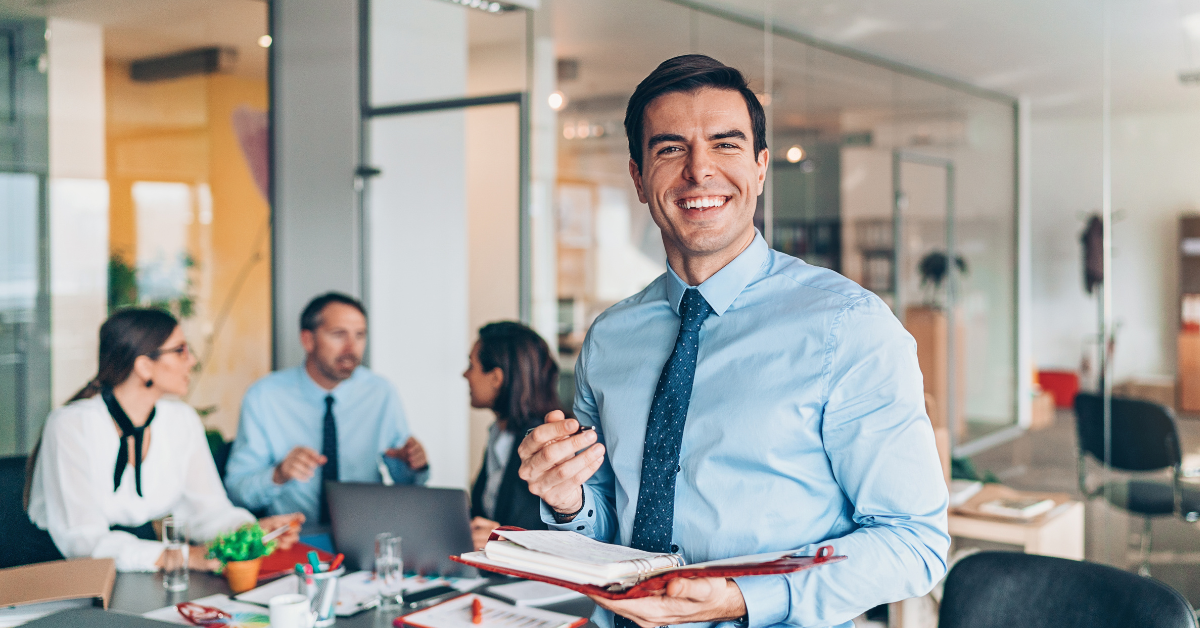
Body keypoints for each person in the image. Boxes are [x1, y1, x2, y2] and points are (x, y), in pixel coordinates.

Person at [517, 55, 949, 628]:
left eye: (725, 144)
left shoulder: (849, 327)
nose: (700, 171)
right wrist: (567, 502)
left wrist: (744, 598)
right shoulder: (609, 339)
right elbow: (607, 524)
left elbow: (914, 542)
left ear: (761, 167)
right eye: (670, 148)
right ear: (639, 178)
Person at [26, 308, 302, 572]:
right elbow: (83, 542)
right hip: (64, 574)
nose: (192, 360)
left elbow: (207, 510)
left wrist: (251, 531)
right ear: (144, 366)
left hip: (143, 566)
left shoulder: (181, 419)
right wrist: (181, 557)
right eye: (181, 350)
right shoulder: (70, 425)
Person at [225, 292, 429, 524]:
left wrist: (413, 466)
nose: (351, 348)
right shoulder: (264, 396)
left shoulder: (381, 393)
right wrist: (278, 474)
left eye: (360, 335)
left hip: (366, 533)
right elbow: (237, 492)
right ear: (308, 340)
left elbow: (410, 485)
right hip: (294, 539)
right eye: (338, 335)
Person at [463, 322, 561, 548]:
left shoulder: (547, 443)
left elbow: (561, 537)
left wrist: (508, 540)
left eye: (471, 365)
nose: (465, 374)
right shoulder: (498, 434)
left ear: (496, 378)